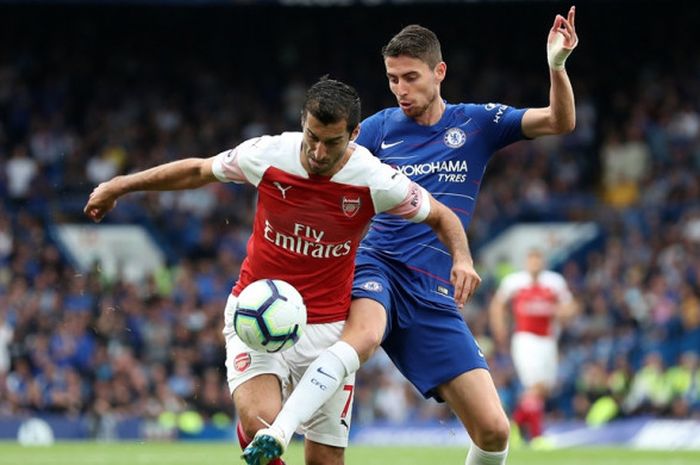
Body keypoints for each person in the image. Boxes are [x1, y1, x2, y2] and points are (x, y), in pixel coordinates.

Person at [83, 78, 479, 465]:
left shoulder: (376, 180)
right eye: (312, 137)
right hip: (255, 309)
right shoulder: (268, 153)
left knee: (325, 458)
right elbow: (199, 171)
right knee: (261, 425)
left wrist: (461, 258)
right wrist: (120, 185)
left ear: (355, 134)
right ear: (303, 122)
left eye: (333, 142)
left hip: (327, 328)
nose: (319, 152)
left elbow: (442, 216)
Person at [249, 6, 578, 465]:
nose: (401, 89)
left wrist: (557, 66)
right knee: (362, 338)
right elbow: (321, 168)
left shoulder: (478, 122)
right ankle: (280, 431)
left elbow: (560, 122)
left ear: (439, 72)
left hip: (431, 290)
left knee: (494, 429)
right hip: (374, 263)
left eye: (411, 77)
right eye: (392, 79)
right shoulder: (379, 128)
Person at [488, 248, 577, 440]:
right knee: (534, 386)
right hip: (526, 339)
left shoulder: (554, 282)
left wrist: (562, 313)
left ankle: (515, 427)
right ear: (526, 262)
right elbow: (497, 304)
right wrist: (500, 328)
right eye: (531, 260)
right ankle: (537, 436)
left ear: (543, 261)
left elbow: (570, 307)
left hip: (548, 340)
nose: (535, 264)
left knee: (544, 388)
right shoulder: (514, 282)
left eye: (538, 259)